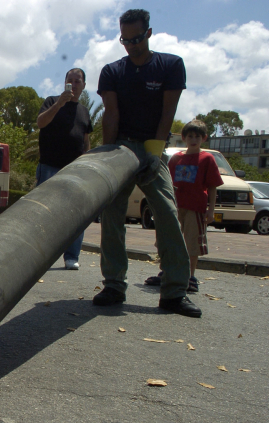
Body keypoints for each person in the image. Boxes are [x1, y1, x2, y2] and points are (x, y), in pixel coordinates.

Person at [94, 8, 201, 317]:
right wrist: (107, 157)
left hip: (153, 145)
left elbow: (168, 113)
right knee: (112, 214)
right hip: (121, 147)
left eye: (136, 38)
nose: (131, 45)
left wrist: (154, 153)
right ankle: (114, 285)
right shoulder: (113, 71)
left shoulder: (170, 65)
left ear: (149, 34)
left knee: (167, 212)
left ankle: (174, 292)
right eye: (125, 40)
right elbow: (111, 115)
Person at [144, 120, 222, 293]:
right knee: (167, 239)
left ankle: (189, 276)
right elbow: (166, 182)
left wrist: (211, 210)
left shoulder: (207, 158)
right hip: (175, 206)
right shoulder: (177, 158)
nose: (193, 139)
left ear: (204, 138)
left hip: (196, 207)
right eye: (190, 136)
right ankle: (166, 272)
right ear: (184, 138)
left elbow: (212, 186)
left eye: (197, 136)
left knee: (192, 243)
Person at [35, 68, 93, 270]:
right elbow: (41, 122)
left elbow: (86, 140)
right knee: (44, 212)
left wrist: (86, 162)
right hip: (49, 166)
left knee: (76, 214)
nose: (74, 84)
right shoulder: (52, 101)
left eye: (78, 81)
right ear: (65, 83)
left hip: (75, 171)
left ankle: (71, 256)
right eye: (70, 80)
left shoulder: (85, 111)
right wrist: (60, 104)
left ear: (84, 86)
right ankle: (40, 255)